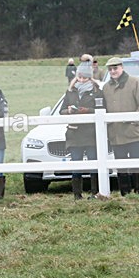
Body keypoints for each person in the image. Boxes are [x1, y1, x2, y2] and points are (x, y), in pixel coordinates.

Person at [102, 57, 139, 196]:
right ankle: (125, 193)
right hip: (116, 133)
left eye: (115, 68)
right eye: (110, 69)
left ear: (121, 67)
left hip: (133, 132)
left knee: (136, 163)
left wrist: (132, 120)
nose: (113, 71)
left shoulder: (135, 82)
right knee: (120, 165)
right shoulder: (106, 87)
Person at [59, 61, 105, 200]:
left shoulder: (97, 92)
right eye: (80, 77)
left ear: (90, 77)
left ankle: (95, 193)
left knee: (93, 163)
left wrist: (88, 111)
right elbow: (61, 110)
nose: (82, 80)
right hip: (74, 134)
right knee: (76, 164)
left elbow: (102, 109)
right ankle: (77, 194)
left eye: (85, 78)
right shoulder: (70, 91)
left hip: (91, 133)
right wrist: (68, 111)